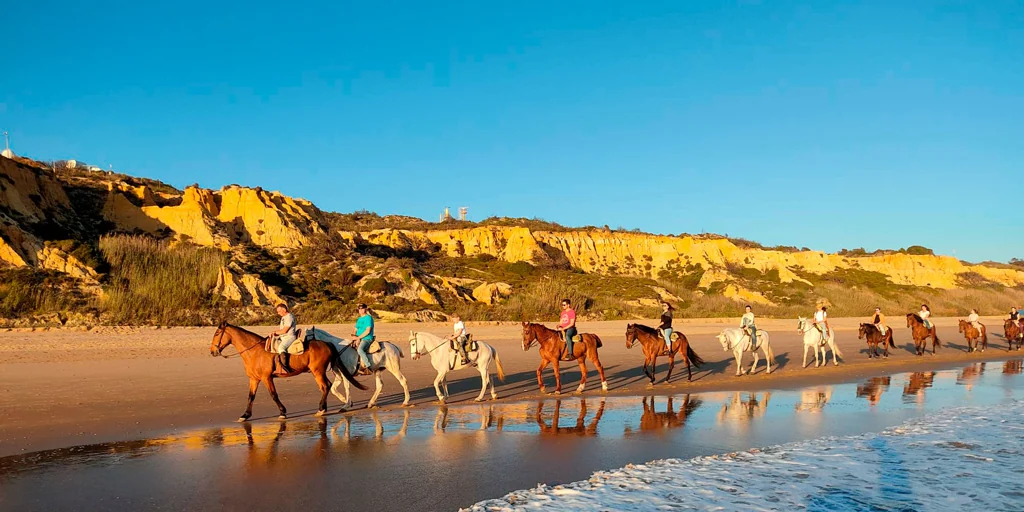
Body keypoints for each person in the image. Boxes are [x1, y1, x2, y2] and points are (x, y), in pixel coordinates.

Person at [269, 303, 298, 373]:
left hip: (289, 337)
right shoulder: (284, 318)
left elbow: (285, 330)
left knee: (281, 348)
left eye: (279, 311)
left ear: (284, 309)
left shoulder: (289, 317)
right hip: (283, 337)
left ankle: (285, 368)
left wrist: (274, 332)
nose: (278, 313)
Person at [351, 303, 375, 375]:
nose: (361, 310)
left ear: (366, 309)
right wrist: (354, 336)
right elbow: (355, 329)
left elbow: (368, 331)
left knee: (360, 350)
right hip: (358, 338)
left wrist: (358, 338)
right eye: (359, 309)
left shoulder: (368, 318)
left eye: (362, 308)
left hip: (367, 338)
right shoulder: (359, 319)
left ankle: (368, 367)